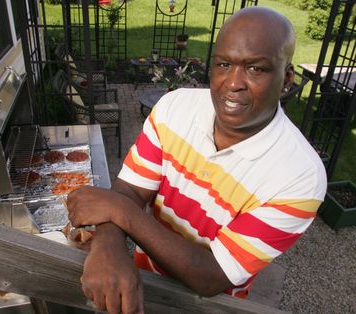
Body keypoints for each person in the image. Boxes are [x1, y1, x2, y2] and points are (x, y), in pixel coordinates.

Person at [67, 6, 327, 314]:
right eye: (223, 64)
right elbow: (131, 192)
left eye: (256, 68)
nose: (233, 82)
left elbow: (212, 275)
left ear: (286, 80)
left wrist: (120, 212)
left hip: (207, 305)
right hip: (138, 277)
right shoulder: (174, 109)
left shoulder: (300, 176)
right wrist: (108, 246)